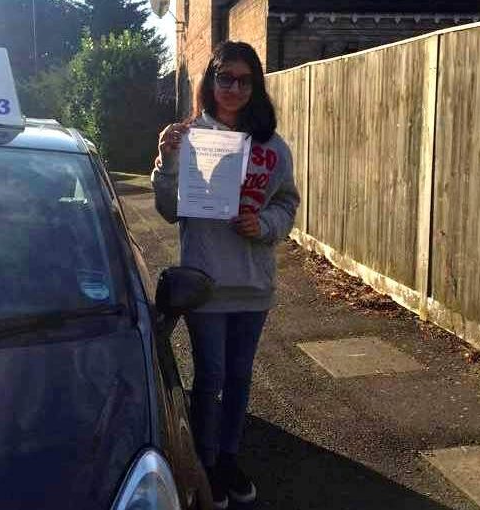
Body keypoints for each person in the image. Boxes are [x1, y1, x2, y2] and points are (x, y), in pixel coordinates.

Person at [151, 41, 300, 509]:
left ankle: (229, 458)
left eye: (243, 80)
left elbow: (287, 203)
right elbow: (169, 210)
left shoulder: (273, 147)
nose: (233, 88)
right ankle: (206, 463)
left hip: (254, 285)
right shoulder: (189, 137)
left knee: (239, 377)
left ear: (255, 86)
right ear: (209, 83)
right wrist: (165, 161)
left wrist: (266, 225)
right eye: (224, 78)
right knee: (210, 376)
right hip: (206, 283)